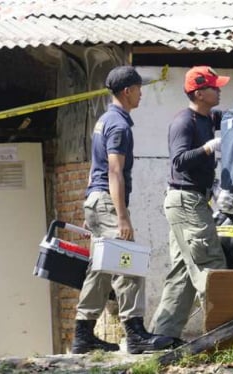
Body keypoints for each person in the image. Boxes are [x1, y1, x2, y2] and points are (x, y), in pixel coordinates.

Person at [72, 66, 173, 355]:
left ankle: (83, 334)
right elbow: (114, 171)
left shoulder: (104, 120)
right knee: (128, 261)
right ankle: (135, 332)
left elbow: (96, 168)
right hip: (107, 200)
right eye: (139, 89)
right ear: (127, 91)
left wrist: (91, 205)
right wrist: (122, 217)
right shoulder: (118, 125)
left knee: (101, 268)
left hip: (96, 199)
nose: (142, 94)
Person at [149, 66, 230, 345]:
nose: (219, 90)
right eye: (214, 87)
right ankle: (226, 335)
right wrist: (209, 148)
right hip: (186, 200)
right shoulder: (184, 122)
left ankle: (163, 336)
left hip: (193, 200)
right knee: (211, 264)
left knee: (183, 270)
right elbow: (179, 160)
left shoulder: (208, 117)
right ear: (199, 93)